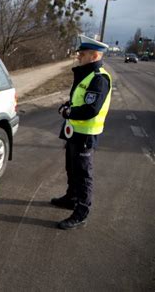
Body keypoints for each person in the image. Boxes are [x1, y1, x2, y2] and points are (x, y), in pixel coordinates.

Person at [52, 35, 112, 230]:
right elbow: (80, 100)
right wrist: (68, 105)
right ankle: (72, 197)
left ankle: (81, 212)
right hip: (74, 132)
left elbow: (91, 109)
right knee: (71, 168)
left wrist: (69, 112)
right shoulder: (86, 75)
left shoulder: (99, 79)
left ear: (94, 56)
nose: (78, 57)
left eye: (82, 54)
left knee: (83, 174)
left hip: (85, 134)